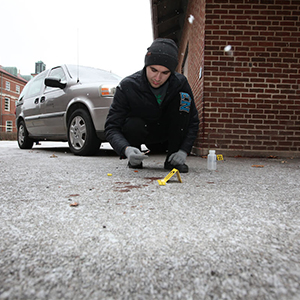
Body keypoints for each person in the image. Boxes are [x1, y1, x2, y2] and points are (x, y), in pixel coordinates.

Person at [105, 38, 199, 173]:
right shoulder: (128, 85)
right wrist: (126, 149)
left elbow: (192, 121)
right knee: (133, 123)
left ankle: (172, 160)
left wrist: (183, 150)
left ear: (171, 72)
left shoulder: (180, 84)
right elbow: (111, 127)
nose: (157, 78)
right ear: (146, 65)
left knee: (182, 105)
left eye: (165, 73)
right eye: (153, 70)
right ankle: (135, 159)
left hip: (169, 135)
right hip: (143, 133)